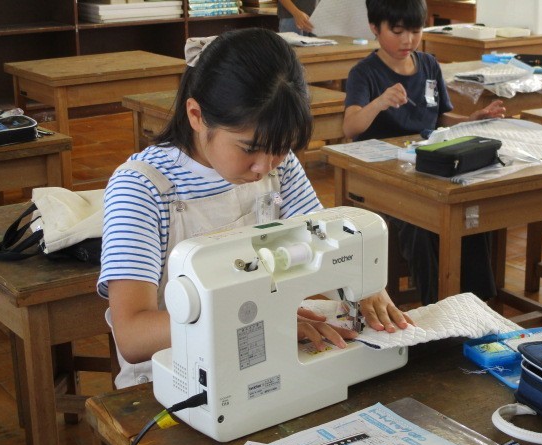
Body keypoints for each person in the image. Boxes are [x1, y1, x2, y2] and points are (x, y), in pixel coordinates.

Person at [98, 28, 410, 389]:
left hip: (261, 360)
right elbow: (133, 335)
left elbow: (324, 245)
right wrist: (259, 323)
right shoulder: (142, 189)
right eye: (248, 149)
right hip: (170, 380)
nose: (264, 167)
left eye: (281, 148)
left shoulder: (281, 167)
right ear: (197, 115)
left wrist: (362, 285)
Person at [343, 0, 506, 306]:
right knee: (419, 222)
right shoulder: (364, 73)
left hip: (426, 167)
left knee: (470, 211)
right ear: (375, 28)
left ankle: (476, 304)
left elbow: (441, 118)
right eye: (397, 31)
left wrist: (472, 119)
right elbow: (350, 127)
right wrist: (379, 102)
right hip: (384, 177)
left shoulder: (429, 65)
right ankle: (436, 305)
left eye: (415, 31)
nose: (408, 40)